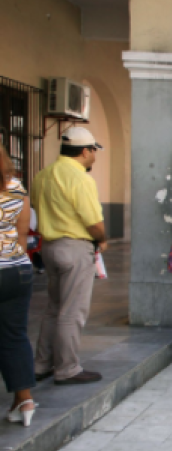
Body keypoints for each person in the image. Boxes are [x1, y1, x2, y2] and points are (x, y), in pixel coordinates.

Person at [32, 126, 106, 385]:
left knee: (54, 308)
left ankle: (42, 364)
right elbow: (93, 222)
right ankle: (67, 368)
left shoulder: (43, 175)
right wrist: (102, 239)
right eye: (94, 151)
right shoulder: (80, 179)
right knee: (72, 311)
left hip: (49, 247)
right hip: (74, 247)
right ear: (85, 151)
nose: (95, 156)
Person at [0, 145, 38, 426]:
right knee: (14, 337)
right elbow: (22, 233)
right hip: (18, 269)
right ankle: (24, 400)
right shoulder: (16, 186)